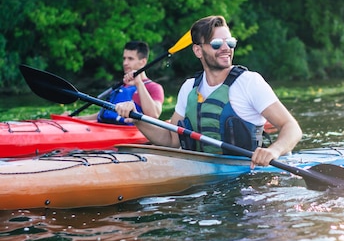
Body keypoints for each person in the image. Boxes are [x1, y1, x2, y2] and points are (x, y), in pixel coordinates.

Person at [115, 16, 301, 167]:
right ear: (198, 50)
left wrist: (273, 151)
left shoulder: (249, 82)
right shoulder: (189, 88)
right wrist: (136, 118)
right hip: (202, 175)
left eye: (230, 42)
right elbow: (171, 140)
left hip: (246, 177)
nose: (226, 48)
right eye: (216, 44)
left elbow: (291, 127)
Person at [69, 40, 164, 123]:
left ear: (143, 62)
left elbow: (154, 115)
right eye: (124, 58)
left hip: (130, 132)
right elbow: (106, 113)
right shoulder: (121, 86)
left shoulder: (154, 87)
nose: (125, 63)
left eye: (130, 59)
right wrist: (75, 119)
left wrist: (139, 83)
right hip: (107, 129)